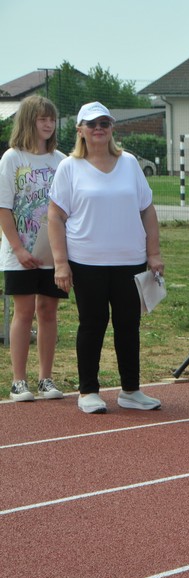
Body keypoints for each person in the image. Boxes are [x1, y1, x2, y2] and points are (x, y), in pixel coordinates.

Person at [48, 102, 164, 415]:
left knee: (129, 325)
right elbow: (55, 216)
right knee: (92, 324)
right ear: (80, 130)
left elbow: (147, 210)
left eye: (104, 123)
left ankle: (130, 390)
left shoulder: (128, 163)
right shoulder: (69, 167)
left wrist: (153, 253)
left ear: (111, 127)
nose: (98, 129)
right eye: (91, 124)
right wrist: (61, 263)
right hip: (87, 262)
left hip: (130, 260)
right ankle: (88, 391)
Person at [1, 95, 66, 402]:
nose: (48, 125)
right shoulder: (12, 158)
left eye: (52, 120)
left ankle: (45, 379)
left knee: (48, 311)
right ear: (29, 121)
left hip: (53, 255)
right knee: (24, 313)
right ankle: (18, 381)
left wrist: (61, 254)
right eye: (42, 119)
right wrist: (18, 249)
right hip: (21, 255)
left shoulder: (62, 161)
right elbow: (4, 208)